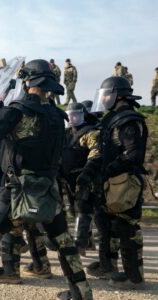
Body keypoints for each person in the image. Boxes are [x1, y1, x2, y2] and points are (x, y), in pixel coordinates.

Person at [0, 59, 92, 300]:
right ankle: (82, 293)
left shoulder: (17, 111)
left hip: (17, 189)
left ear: (27, 81)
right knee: (64, 242)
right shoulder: (56, 115)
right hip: (48, 188)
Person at [91, 76, 148, 290]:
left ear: (118, 96)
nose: (104, 98)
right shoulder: (112, 119)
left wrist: (109, 168)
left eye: (107, 94)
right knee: (106, 225)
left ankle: (134, 275)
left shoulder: (128, 121)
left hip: (124, 181)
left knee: (126, 226)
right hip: (109, 181)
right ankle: (109, 266)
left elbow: (133, 154)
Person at [61, 102, 101, 256]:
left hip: (84, 176)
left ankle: (80, 244)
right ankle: (88, 241)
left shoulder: (90, 133)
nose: (72, 119)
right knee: (73, 208)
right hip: (69, 178)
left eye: (75, 115)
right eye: (69, 116)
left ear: (82, 115)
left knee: (83, 209)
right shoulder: (66, 133)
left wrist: (88, 172)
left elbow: (96, 152)